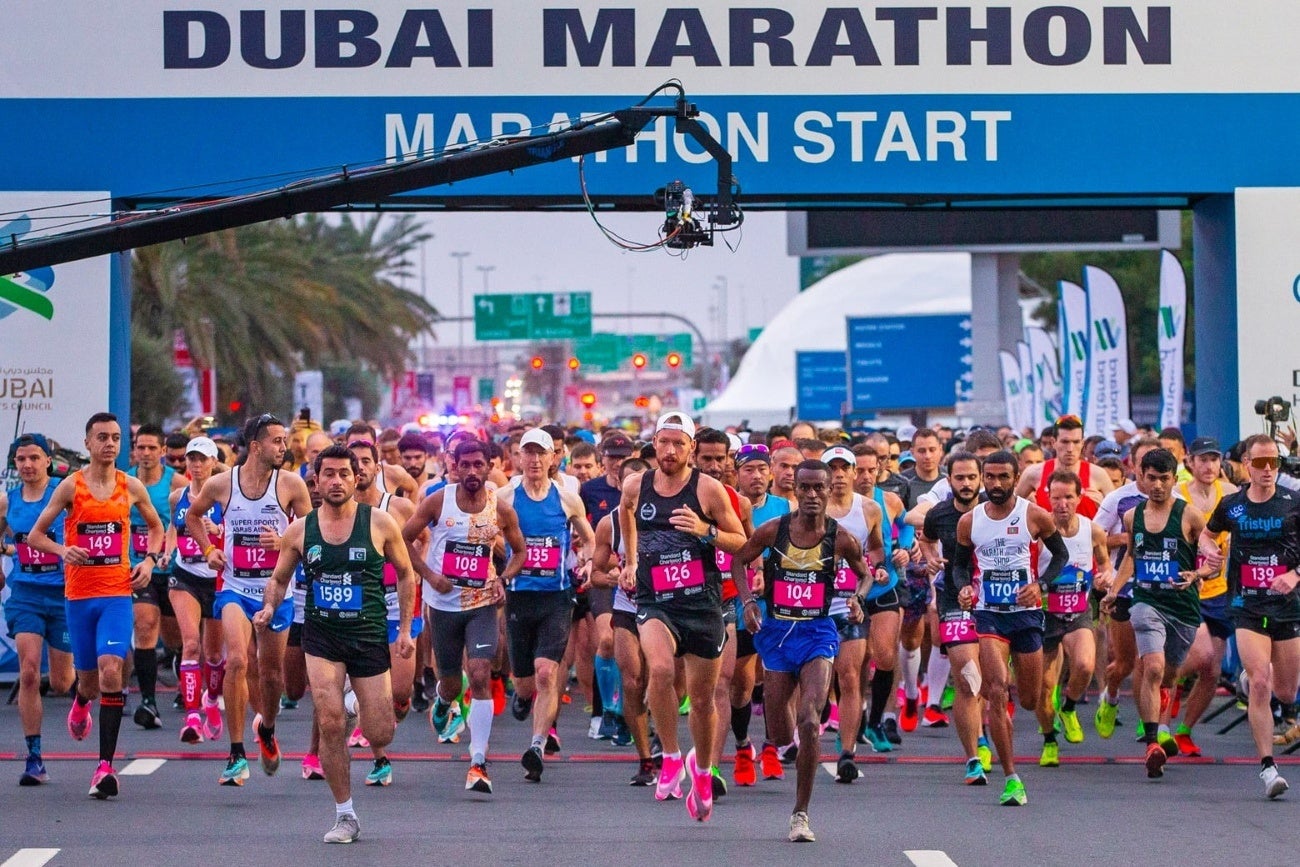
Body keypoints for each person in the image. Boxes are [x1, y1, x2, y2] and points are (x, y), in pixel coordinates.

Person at [255, 444, 417, 843]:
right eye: (329, 473)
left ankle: (353, 705)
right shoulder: (300, 530)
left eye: (345, 473)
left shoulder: (380, 523)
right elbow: (278, 579)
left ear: (356, 478)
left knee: (380, 733)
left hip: (368, 636)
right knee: (328, 723)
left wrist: (404, 629)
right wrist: (269, 607)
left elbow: (405, 574)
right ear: (316, 480)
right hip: (322, 636)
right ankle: (345, 815)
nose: (337, 480)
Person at [730, 460, 875, 843]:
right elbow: (738, 561)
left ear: (829, 490)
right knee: (781, 735)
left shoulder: (841, 538)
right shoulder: (774, 530)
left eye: (818, 488)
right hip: (777, 632)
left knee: (810, 720)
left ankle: (800, 814)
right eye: (805, 488)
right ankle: (785, 742)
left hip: (817, 633)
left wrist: (858, 599)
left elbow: (865, 573)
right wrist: (748, 602)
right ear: (795, 490)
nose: (812, 495)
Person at [27, 412, 166, 798]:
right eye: (102, 437)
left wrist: (149, 561)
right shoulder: (71, 487)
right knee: (87, 682)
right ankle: (81, 702)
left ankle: (104, 767)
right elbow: (36, 536)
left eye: (116, 438)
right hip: (79, 598)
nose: (110, 444)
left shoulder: (130, 486)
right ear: (87, 443)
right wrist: (63, 550)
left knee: (111, 671)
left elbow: (157, 527)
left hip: (116, 595)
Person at [618, 412, 745, 822]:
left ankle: (702, 770)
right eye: (664, 442)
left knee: (703, 699)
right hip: (655, 599)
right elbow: (625, 512)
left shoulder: (707, 490)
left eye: (679, 444)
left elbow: (741, 542)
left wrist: (706, 532)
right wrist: (630, 561)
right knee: (658, 669)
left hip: (701, 603)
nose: (670, 451)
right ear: (654, 443)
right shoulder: (636, 485)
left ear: (691, 448)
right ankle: (671, 755)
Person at [186, 414, 313, 786]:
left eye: (284, 440)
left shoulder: (290, 484)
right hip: (235, 588)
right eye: (277, 441)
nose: (283, 447)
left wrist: (285, 541)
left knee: (271, 674)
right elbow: (192, 517)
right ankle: (236, 753)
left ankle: (267, 728)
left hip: (276, 590)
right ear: (256, 446)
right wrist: (208, 549)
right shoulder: (221, 484)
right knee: (238, 660)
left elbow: (313, 533)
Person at [403, 438, 527, 795]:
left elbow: (520, 552)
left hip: (481, 601)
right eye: (465, 465)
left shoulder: (500, 508)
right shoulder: (438, 501)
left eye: (478, 464)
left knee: (480, 672)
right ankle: (443, 702)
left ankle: (478, 760)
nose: (472, 471)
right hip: (443, 605)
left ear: (489, 467)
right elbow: (403, 539)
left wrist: (504, 579)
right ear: (454, 466)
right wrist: (430, 576)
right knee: (451, 684)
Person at [953, 450, 1070, 806]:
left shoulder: (1034, 515)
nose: (996, 483)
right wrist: (965, 587)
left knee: (1031, 698)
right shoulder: (969, 522)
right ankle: (1011, 777)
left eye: (1003, 476)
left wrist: (1042, 585)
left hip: (1027, 616)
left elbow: (1061, 556)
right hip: (989, 614)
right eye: (990, 477)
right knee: (997, 690)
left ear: (1016, 478)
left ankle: (1036, 709)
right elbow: (959, 567)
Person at [1202, 434, 1300, 798]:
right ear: (1247, 465)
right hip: (1247, 604)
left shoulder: (1293, 502)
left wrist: (1294, 575)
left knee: (1286, 690)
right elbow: (1207, 535)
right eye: (1260, 463)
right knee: (1261, 683)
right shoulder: (1233, 506)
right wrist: (1210, 551)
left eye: (1274, 462)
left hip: (1287, 605)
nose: (1268, 469)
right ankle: (1268, 768)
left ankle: (1255, 675)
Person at [498, 428, 595, 782]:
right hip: (520, 596)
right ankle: (523, 699)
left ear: (554, 458)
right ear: (518, 457)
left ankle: (537, 745)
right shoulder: (505, 497)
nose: (535, 460)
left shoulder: (567, 498)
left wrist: (586, 561)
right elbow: (485, 534)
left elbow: (589, 539)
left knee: (546, 672)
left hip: (556, 596)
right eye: (529, 453)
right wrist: (503, 565)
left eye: (542, 453)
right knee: (525, 683)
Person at [1106, 448, 1206, 779]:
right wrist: (1115, 589)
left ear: (1174, 479)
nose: (1158, 485)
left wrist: (1199, 573)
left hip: (1183, 607)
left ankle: (1161, 721)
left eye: (1164, 479)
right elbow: (1131, 556)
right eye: (1152, 478)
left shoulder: (1189, 515)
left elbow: (1211, 555)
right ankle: (1152, 744)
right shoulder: (1132, 516)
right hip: (1146, 601)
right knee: (1152, 667)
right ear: (1141, 477)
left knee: (1170, 675)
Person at [0, 433, 75, 785]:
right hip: (25, 595)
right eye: (21, 459)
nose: (27, 465)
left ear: (48, 460)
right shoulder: (7, 501)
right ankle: (34, 758)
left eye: (34, 458)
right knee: (29, 671)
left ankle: (81, 697)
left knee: (62, 682)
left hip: (64, 595)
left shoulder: (65, 494)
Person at [347, 439, 421, 786]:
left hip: (396, 605)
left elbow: (423, 541)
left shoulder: (399, 507)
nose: (360, 468)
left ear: (378, 467)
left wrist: (419, 572)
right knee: (371, 690)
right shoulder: (338, 510)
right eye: (354, 462)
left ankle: (389, 710)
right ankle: (380, 759)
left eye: (366, 461)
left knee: (401, 692)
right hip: (358, 608)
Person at [918, 451, 988, 784]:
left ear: (981, 479)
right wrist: (931, 559)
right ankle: (974, 755)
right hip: (953, 598)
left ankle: (983, 730)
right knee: (968, 676)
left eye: (972, 477)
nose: (966, 483)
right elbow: (926, 540)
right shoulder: (939, 513)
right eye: (959, 478)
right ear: (949, 481)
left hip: (992, 600)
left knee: (989, 678)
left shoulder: (994, 509)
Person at [1035, 470, 1110, 768]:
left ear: (1079, 498)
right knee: (1043, 688)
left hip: (1078, 610)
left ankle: (1068, 708)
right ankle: (1049, 741)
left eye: (1068, 497)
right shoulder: (1039, 530)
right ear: (1048, 498)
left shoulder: (1092, 531)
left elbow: (1104, 564)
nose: (1062, 503)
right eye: (1056, 497)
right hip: (1045, 615)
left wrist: (1105, 578)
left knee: (1085, 665)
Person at [820, 445, 886, 779]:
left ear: (853, 472)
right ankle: (809, 729)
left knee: (849, 675)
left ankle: (847, 752)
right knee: (816, 680)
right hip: (813, 606)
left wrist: (879, 567)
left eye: (844, 468)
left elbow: (876, 549)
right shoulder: (809, 509)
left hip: (850, 604)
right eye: (832, 469)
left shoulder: (869, 509)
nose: (839, 475)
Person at [1171, 437, 1238, 756]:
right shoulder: (1178, 495)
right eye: (1203, 460)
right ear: (1190, 463)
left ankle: (1184, 731)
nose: (1209, 466)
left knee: (1212, 671)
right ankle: (1163, 687)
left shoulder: (1231, 494)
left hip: (1220, 591)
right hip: (1189, 588)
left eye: (1214, 459)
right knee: (1202, 655)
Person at [729, 443, 790, 786]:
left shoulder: (784, 508)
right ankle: (742, 746)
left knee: (774, 677)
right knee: (741, 682)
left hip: (776, 602)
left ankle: (770, 746)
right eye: (749, 469)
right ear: (736, 473)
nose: (756, 476)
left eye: (762, 469)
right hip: (738, 600)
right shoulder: (725, 503)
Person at [167, 436, 227, 745]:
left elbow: (240, 535)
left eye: (203, 458)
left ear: (214, 462)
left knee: (214, 653)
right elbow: (172, 529)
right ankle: (191, 718)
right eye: (192, 458)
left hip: (216, 580)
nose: (197, 464)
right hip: (185, 576)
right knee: (191, 645)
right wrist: (166, 551)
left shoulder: (226, 497)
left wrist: (219, 531)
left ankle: (211, 700)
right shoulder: (177, 496)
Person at [127, 422, 187, 730]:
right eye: (141, 447)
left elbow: (191, 519)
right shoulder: (123, 481)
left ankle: (180, 660)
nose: (146, 453)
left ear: (163, 451)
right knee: (145, 626)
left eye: (152, 448)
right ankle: (148, 702)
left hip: (174, 569)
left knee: (176, 638)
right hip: (139, 568)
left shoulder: (177, 482)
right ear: (134, 450)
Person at [1015, 414, 1114, 519]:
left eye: (1076, 442)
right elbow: (1011, 511)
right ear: (1053, 442)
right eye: (1065, 442)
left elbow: (1118, 516)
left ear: (1082, 443)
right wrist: (1028, 512)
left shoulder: (1098, 474)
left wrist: (1104, 507)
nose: (1070, 449)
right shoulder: (1034, 473)